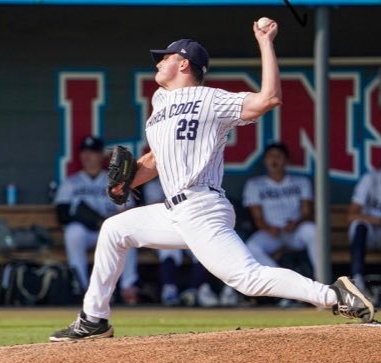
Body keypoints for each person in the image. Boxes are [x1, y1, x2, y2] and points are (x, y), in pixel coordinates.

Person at [50, 19, 374, 342]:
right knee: (114, 230)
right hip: (172, 211)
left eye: (166, 57)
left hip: (202, 206)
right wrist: (129, 179)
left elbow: (269, 99)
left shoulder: (212, 99)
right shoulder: (159, 103)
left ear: (184, 63)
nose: (160, 62)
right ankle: (94, 319)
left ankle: (334, 295)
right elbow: (156, 160)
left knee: (248, 279)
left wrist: (265, 42)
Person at [54, 135, 139, 305]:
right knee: (73, 232)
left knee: (127, 235)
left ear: (101, 155)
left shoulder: (114, 181)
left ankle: (128, 288)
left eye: (92, 152)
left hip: (109, 231)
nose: (88, 155)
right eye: (84, 151)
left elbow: (130, 212)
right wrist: (91, 219)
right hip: (87, 233)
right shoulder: (72, 183)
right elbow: (62, 215)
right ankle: (81, 286)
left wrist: (109, 221)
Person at [143, 177, 239, 307]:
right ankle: (169, 290)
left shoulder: (192, 179)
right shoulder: (154, 185)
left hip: (194, 226)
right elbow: (155, 210)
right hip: (167, 228)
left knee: (204, 252)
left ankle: (194, 290)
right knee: (169, 253)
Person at [242, 142, 319, 282]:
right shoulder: (255, 184)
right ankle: (284, 282)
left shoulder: (301, 182)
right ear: (265, 161)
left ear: (286, 161)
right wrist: (267, 228)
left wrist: (296, 223)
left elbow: (307, 212)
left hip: (295, 231)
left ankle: (322, 279)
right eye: (270, 156)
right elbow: (257, 217)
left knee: (313, 231)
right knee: (252, 247)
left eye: (279, 156)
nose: (274, 160)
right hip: (271, 232)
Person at [347, 170, 381, 293]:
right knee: (359, 225)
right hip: (369, 232)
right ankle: (357, 279)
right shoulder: (370, 180)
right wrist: (375, 220)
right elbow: (351, 215)